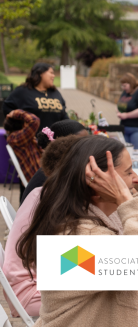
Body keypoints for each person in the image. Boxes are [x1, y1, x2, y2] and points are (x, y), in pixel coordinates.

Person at [16, 135, 138, 326]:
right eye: (128, 173)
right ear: (98, 185)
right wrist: (127, 200)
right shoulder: (72, 247)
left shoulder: (92, 216)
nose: (137, 179)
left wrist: (130, 196)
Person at [3, 135, 83, 317]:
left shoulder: (49, 194)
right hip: (33, 292)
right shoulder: (51, 201)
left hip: (35, 281)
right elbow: (67, 257)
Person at [21, 119, 88, 203]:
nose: (88, 146)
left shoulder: (57, 166)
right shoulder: (56, 174)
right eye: (81, 143)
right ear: (63, 144)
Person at [3, 63, 68, 131]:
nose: (53, 76)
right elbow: (7, 108)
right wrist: (19, 128)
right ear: (41, 73)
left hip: (54, 140)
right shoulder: (23, 91)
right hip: (30, 139)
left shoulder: (55, 93)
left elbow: (63, 115)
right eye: (51, 73)